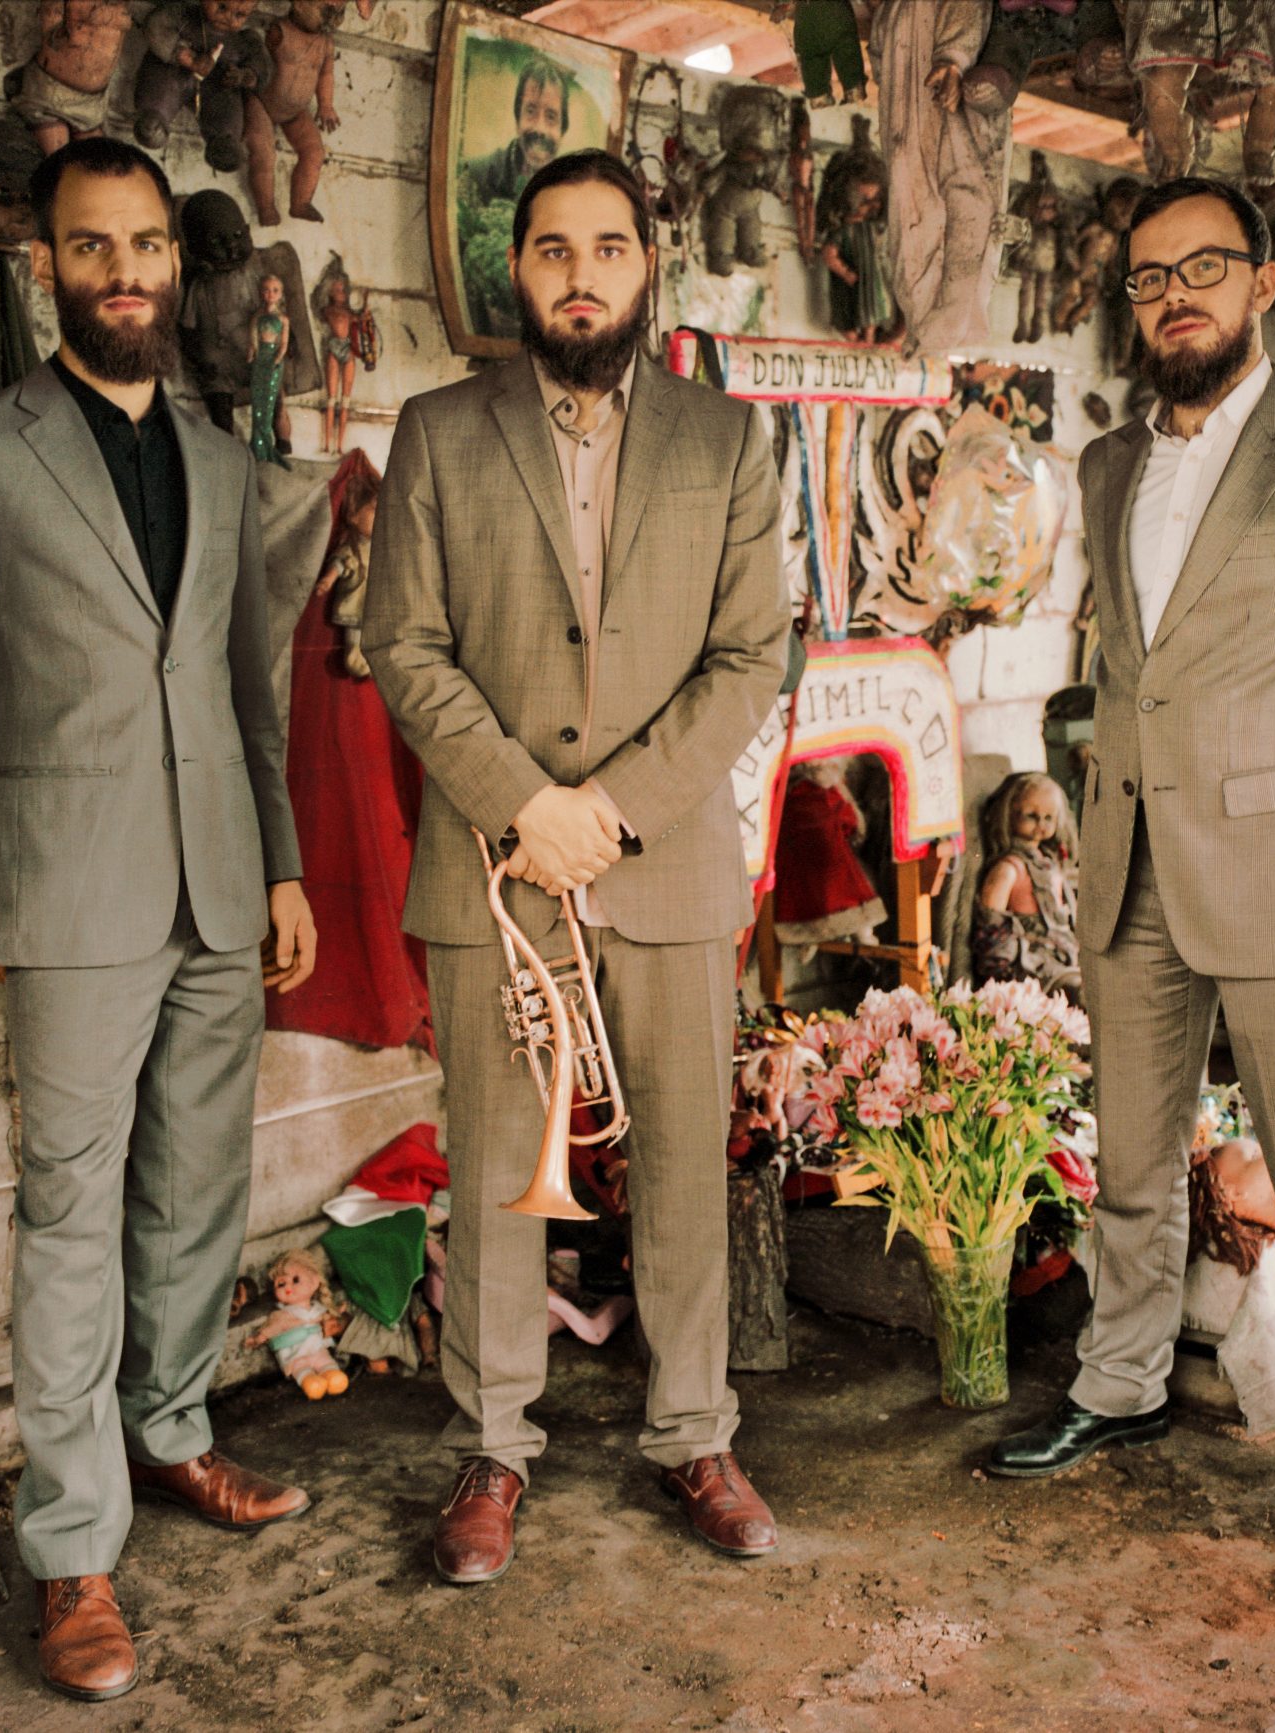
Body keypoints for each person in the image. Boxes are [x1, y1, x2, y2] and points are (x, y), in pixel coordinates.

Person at [0, 135, 319, 1702]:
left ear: (174, 265)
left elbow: (247, 686)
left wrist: (281, 864)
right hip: (65, 885)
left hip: (219, 876)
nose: (123, 271)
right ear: (47, 265)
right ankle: (74, 1546)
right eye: (93, 246)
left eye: (145, 245)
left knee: (198, 1186)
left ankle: (174, 1429)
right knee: (72, 1209)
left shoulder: (220, 459)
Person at [984, 177, 1275, 1603]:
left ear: (1262, 284)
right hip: (1129, 863)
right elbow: (1131, 668)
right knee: (1131, 1167)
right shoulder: (1108, 464)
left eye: (1203, 267)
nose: (1174, 294)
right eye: (1148, 276)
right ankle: (1120, 1382)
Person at [363, 149, 790, 1588]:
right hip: (495, 864)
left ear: (646, 266)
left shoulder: (727, 440)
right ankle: (494, 1444)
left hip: (662, 858)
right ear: (519, 270)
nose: (581, 274)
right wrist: (520, 806)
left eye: (609, 247)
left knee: (680, 1159)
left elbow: (752, 656)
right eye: (554, 249)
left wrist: (607, 807)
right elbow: (402, 643)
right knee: (498, 1170)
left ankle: (695, 1435)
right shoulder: (436, 430)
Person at [458, 55, 570, 209]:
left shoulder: (571, 196)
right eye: (530, 111)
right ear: (518, 119)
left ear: (562, 130)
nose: (540, 128)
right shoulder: (475, 178)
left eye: (551, 116)